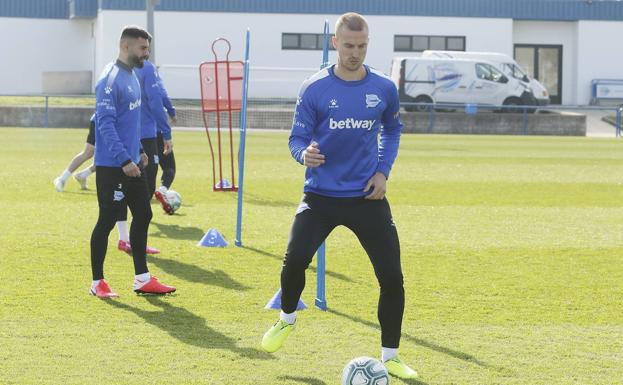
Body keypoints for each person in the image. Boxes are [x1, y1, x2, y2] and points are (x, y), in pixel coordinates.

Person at [260, 12, 417, 379]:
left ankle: (391, 355)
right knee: (294, 259)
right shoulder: (314, 88)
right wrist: (305, 154)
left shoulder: (383, 87)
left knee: (392, 277)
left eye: (362, 46)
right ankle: (286, 319)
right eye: (348, 45)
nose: (355, 53)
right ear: (335, 43)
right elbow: (296, 140)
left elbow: (392, 130)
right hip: (320, 196)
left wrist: (383, 171)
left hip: (367, 197)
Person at [89, 25, 175, 298]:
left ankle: (142, 278)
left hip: (133, 162)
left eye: (147, 49)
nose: (146, 54)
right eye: (142, 48)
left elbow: (131, 122)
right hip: (112, 165)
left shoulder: (134, 77)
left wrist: (138, 149)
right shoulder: (110, 79)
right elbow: (105, 123)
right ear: (125, 46)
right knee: (107, 220)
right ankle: (97, 283)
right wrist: (124, 158)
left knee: (144, 213)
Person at [54, 113, 160, 255]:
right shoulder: (112, 96)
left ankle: (81, 175)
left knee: (110, 158)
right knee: (96, 154)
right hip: (105, 124)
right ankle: (63, 178)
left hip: (116, 129)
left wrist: (140, 149)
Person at [53, 114, 96, 192]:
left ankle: (83, 175)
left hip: (116, 123)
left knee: (109, 158)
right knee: (88, 152)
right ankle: (62, 179)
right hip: (102, 121)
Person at [154, 79, 178, 214]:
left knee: (145, 168)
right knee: (169, 167)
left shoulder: (130, 76)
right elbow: (163, 96)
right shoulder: (152, 76)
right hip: (157, 130)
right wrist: (172, 112)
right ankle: (162, 190)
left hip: (140, 133)